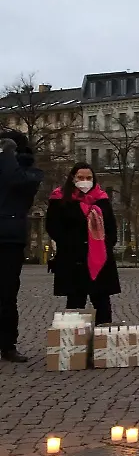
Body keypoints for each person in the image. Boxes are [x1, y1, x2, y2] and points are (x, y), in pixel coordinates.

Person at [46, 163, 120, 325]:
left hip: (99, 258)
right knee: (75, 303)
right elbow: (53, 226)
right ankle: (75, 342)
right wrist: (69, 244)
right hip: (73, 258)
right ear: (73, 178)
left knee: (102, 302)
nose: (85, 181)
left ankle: (103, 341)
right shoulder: (60, 198)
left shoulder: (101, 199)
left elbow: (111, 227)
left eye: (88, 178)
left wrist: (105, 245)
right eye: (80, 178)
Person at [0, 130, 44, 362]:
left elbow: (16, 181)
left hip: (9, 238)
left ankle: (7, 345)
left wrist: (8, 154)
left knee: (7, 295)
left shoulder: (31, 172)